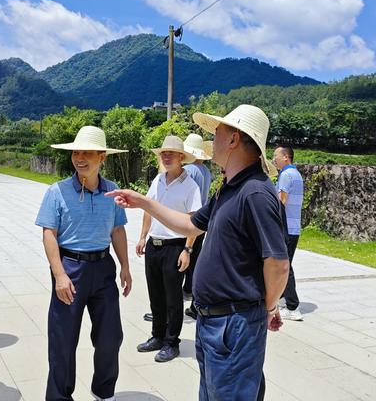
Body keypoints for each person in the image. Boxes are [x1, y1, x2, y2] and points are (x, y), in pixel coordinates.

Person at [107, 104, 289, 401]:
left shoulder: (255, 192)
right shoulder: (228, 188)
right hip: (215, 322)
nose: (212, 140)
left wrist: (266, 309)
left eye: (217, 133)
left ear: (233, 140)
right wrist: (144, 203)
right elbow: (190, 224)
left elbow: (278, 264)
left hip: (234, 323)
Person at [35, 126, 132, 401]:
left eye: (87, 152)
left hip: (103, 269)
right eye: (76, 152)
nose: (80, 157)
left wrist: (125, 266)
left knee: (110, 337)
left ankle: (104, 391)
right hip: (70, 268)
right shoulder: (57, 191)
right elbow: (48, 233)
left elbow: (117, 230)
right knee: (63, 339)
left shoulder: (112, 192)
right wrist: (59, 275)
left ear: (102, 157)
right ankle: (59, 396)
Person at [136, 136, 201, 362]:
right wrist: (143, 236)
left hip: (175, 246)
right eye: (163, 153)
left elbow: (194, 221)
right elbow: (148, 209)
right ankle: (157, 336)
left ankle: (172, 342)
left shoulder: (190, 186)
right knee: (155, 295)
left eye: (171, 153)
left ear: (181, 158)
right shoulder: (158, 180)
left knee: (173, 299)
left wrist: (188, 250)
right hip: (154, 244)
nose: (165, 157)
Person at [182, 133, 212, 319]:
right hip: (202, 220)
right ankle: (190, 291)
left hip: (188, 220)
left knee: (183, 255)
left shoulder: (188, 170)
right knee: (195, 258)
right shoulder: (206, 171)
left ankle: (184, 293)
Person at [273, 145, 304, 321]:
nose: (273, 159)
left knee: (285, 267)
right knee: (285, 264)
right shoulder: (296, 174)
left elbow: (281, 202)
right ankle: (284, 298)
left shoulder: (285, 175)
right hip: (294, 227)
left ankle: (293, 307)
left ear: (286, 157)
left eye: (276, 156)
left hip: (286, 227)